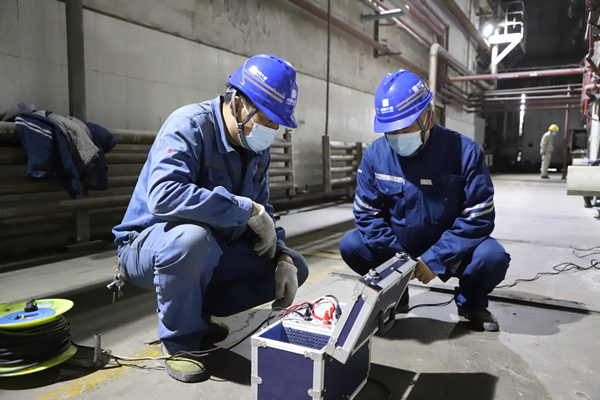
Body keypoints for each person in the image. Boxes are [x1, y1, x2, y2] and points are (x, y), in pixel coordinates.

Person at [112, 54, 308, 383]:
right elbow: (163, 196)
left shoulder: (257, 147)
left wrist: (283, 253)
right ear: (238, 103)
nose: (271, 130)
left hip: (211, 246)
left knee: (292, 266)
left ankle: (195, 315)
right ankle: (181, 343)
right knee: (193, 241)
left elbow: (262, 209)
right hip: (147, 245)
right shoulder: (189, 125)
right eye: (266, 119)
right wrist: (244, 209)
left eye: (277, 124)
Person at [339, 70, 510, 332]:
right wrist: (400, 263)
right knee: (352, 244)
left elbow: (479, 216)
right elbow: (367, 215)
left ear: (429, 117)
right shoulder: (375, 155)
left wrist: (435, 258)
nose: (397, 135)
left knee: (492, 257)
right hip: (397, 246)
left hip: (451, 249)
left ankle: (471, 304)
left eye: (404, 127)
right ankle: (395, 292)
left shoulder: (464, 152)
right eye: (390, 129)